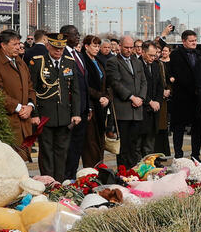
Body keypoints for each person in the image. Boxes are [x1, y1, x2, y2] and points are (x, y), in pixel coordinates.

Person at [27, 32, 82, 180]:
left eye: (61, 48)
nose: (58, 51)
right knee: (46, 151)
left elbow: (75, 90)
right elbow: (32, 90)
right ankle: (48, 182)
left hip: (64, 115)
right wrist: (34, 114)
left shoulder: (69, 62)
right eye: (55, 48)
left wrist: (76, 113)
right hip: (45, 115)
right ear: (47, 46)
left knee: (62, 151)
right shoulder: (38, 62)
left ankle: (59, 182)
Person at [0, 29, 36, 161]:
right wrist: (18, 107)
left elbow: (30, 87)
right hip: (7, 123)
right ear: (3, 45)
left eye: (19, 43)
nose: (18, 47)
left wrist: (30, 106)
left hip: (24, 123)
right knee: (8, 163)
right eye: (14, 44)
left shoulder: (20, 62)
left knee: (22, 164)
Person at [106, 35, 145, 168]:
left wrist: (141, 98)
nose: (129, 50)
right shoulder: (113, 62)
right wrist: (131, 97)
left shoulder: (137, 62)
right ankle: (123, 172)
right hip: (123, 110)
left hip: (137, 109)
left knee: (134, 145)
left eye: (131, 47)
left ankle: (133, 171)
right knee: (123, 146)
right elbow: (115, 83)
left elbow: (143, 82)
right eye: (126, 47)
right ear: (120, 46)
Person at [60, 25, 92, 178]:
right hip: (69, 109)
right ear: (65, 36)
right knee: (68, 146)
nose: (78, 36)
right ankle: (65, 177)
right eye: (75, 34)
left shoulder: (78, 54)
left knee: (78, 146)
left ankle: (72, 175)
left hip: (83, 108)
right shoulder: (62, 54)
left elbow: (85, 83)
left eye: (78, 34)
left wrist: (89, 107)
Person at [80, 34, 110, 167]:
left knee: (100, 140)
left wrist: (107, 97)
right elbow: (84, 85)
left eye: (98, 46)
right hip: (90, 105)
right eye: (94, 46)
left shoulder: (98, 61)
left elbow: (107, 82)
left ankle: (99, 168)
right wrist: (99, 96)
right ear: (86, 46)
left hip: (101, 106)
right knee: (90, 142)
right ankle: (91, 171)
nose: (97, 48)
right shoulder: (83, 61)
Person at [135, 41, 164, 157]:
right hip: (141, 109)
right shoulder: (136, 64)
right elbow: (137, 87)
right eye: (150, 55)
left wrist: (157, 101)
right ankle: (139, 165)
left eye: (154, 55)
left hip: (154, 110)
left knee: (150, 142)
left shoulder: (156, 65)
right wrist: (149, 101)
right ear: (143, 52)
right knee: (138, 143)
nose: (153, 58)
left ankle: (149, 164)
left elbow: (160, 85)